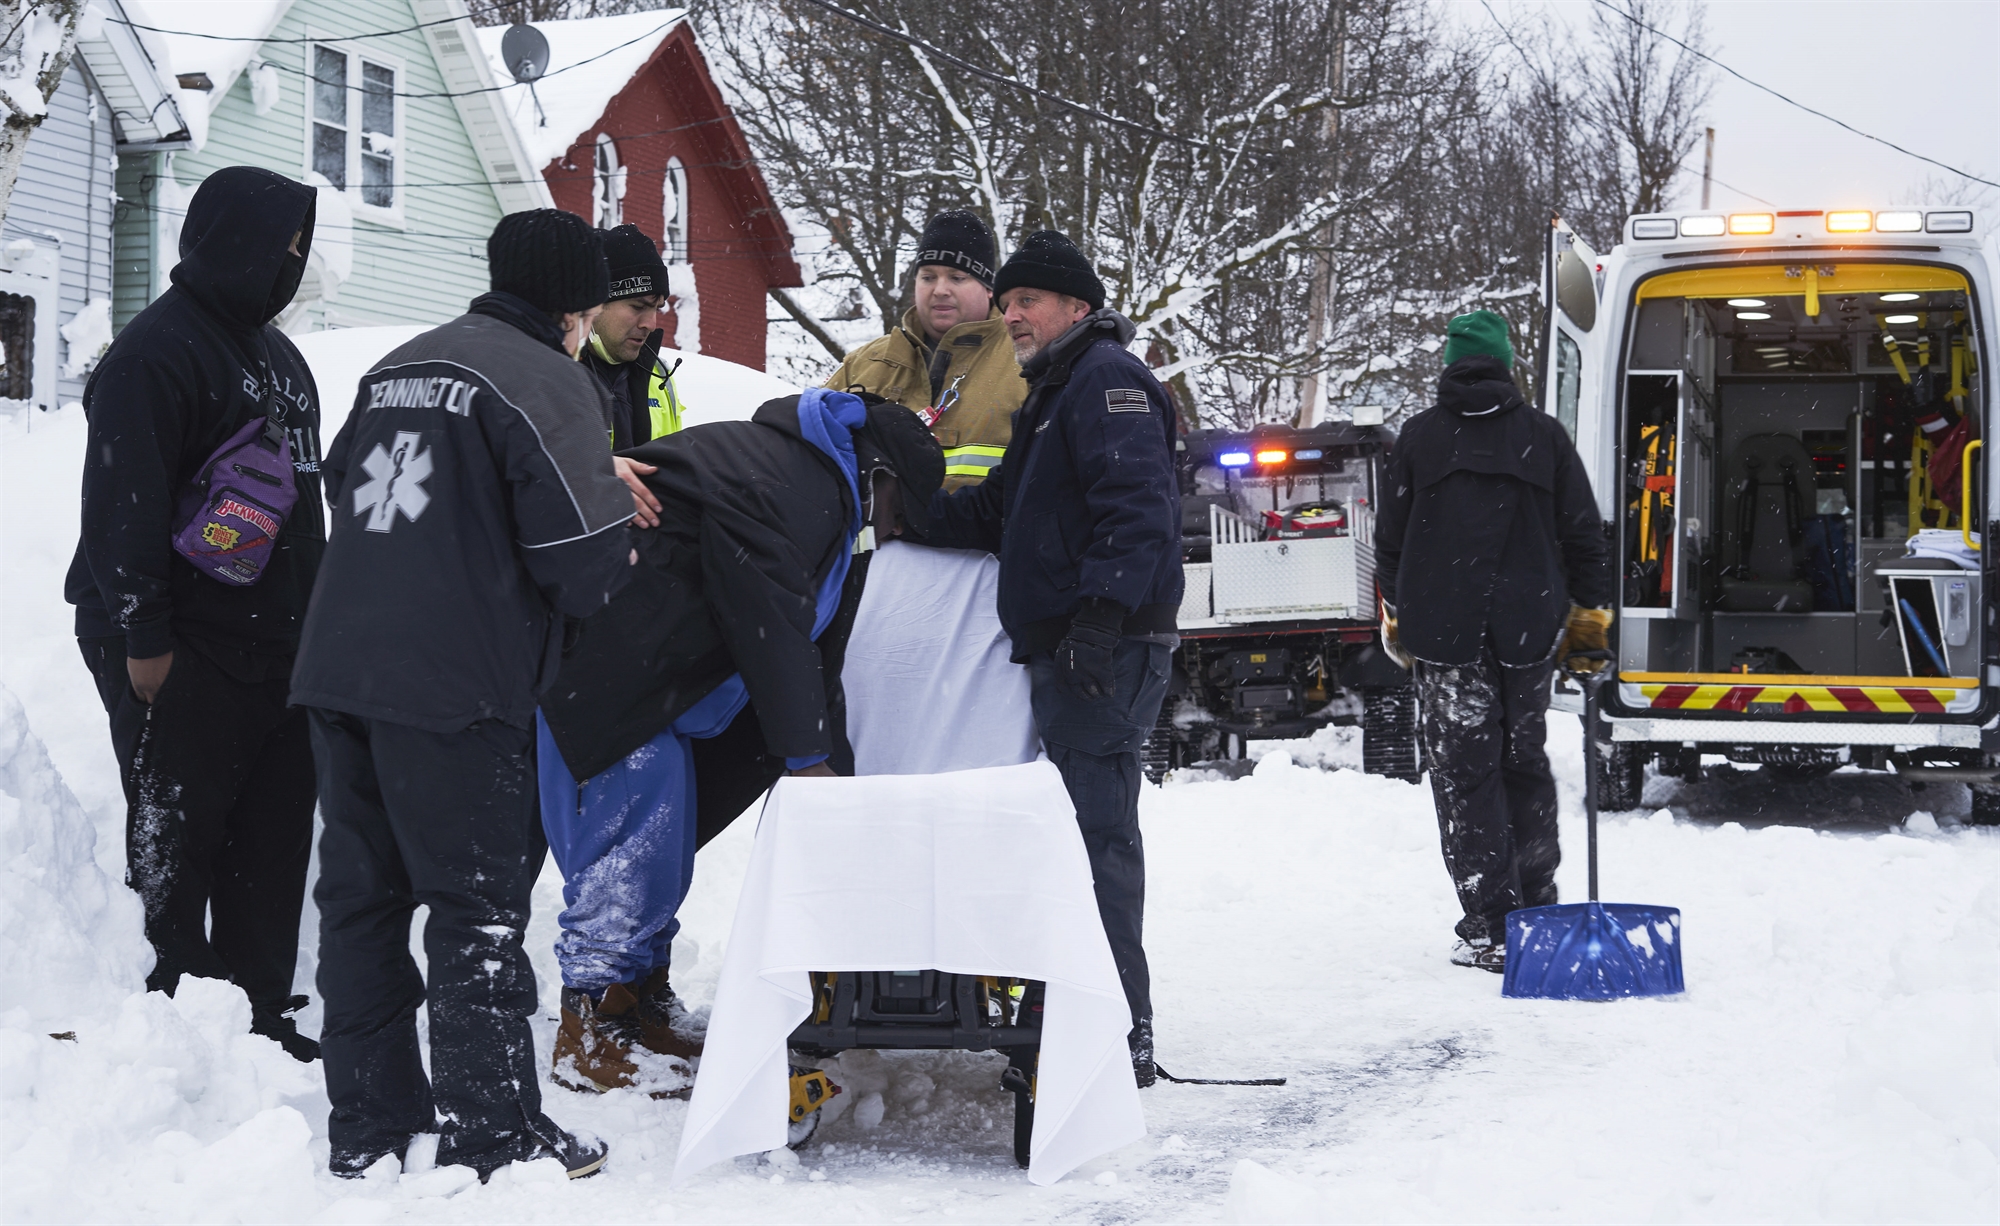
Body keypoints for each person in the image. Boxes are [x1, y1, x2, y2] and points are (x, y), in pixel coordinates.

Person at [290, 209, 635, 1180]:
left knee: (358, 900)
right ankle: (493, 1131)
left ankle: (369, 1122)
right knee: (473, 907)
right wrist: (616, 513)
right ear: (574, 304)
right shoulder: (545, 378)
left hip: (340, 665)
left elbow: (344, 483)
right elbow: (579, 558)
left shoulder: (401, 361)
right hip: (454, 683)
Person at [533, 391, 945, 1093]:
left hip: (650, 680)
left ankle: (641, 1009)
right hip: (612, 676)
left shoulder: (815, 485)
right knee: (628, 851)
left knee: (659, 852)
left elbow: (818, 653)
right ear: (882, 476)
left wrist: (830, 768)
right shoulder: (795, 481)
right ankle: (590, 1033)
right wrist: (807, 759)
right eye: (900, 507)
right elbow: (770, 618)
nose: (896, 526)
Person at [65, 166, 324, 1062]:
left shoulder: (278, 358)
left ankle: (258, 1015)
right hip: (175, 642)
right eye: (283, 246)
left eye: (302, 248)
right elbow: (120, 507)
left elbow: (307, 503)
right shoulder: (155, 353)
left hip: (275, 641)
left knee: (273, 829)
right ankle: (175, 1020)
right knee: (179, 829)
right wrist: (145, 643)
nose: (293, 264)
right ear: (233, 241)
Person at [921, 230, 1181, 1087]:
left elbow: (1137, 509)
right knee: (1070, 836)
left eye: (1026, 301)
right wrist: (904, 510)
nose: (1012, 316)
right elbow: (1000, 510)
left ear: (1077, 307)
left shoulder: (1107, 382)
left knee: (1095, 837)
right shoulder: (1053, 392)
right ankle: (1082, 1015)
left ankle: (1115, 1032)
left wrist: (1099, 622)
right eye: (1009, 303)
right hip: (1072, 648)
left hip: (1104, 652)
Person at [1374, 309, 1613, 974]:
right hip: (1529, 629)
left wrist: (1400, 612)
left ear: (1450, 363)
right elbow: (1584, 535)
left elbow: (1389, 543)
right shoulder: (1543, 437)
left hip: (1446, 634)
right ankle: (1536, 909)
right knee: (1524, 763)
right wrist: (1590, 619)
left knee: (1465, 774)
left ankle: (1491, 925)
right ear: (1505, 363)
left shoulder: (1419, 440)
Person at [826, 209, 1022, 489]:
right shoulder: (864, 364)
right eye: (928, 277)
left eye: (957, 277)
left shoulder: (1025, 363)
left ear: (989, 287)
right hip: (875, 533)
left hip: (986, 532)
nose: (940, 289)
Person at [584, 223, 690, 449]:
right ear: (594, 303)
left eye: (657, 309)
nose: (651, 324)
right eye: (638, 306)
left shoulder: (660, 377)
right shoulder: (552, 372)